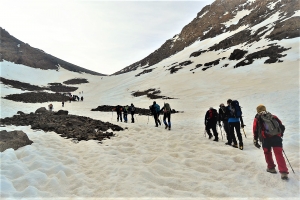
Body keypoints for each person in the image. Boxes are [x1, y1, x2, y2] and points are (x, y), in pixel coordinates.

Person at [253, 104, 288, 180]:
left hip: (265, 138)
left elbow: (255, 129)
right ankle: (284, 172)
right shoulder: (273, 116)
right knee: (279, 154)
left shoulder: (257, 118)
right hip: (276, 138)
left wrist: (255, 139)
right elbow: (281, 126)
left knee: (267, 153)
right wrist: (280, 135)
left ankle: (271, 168)